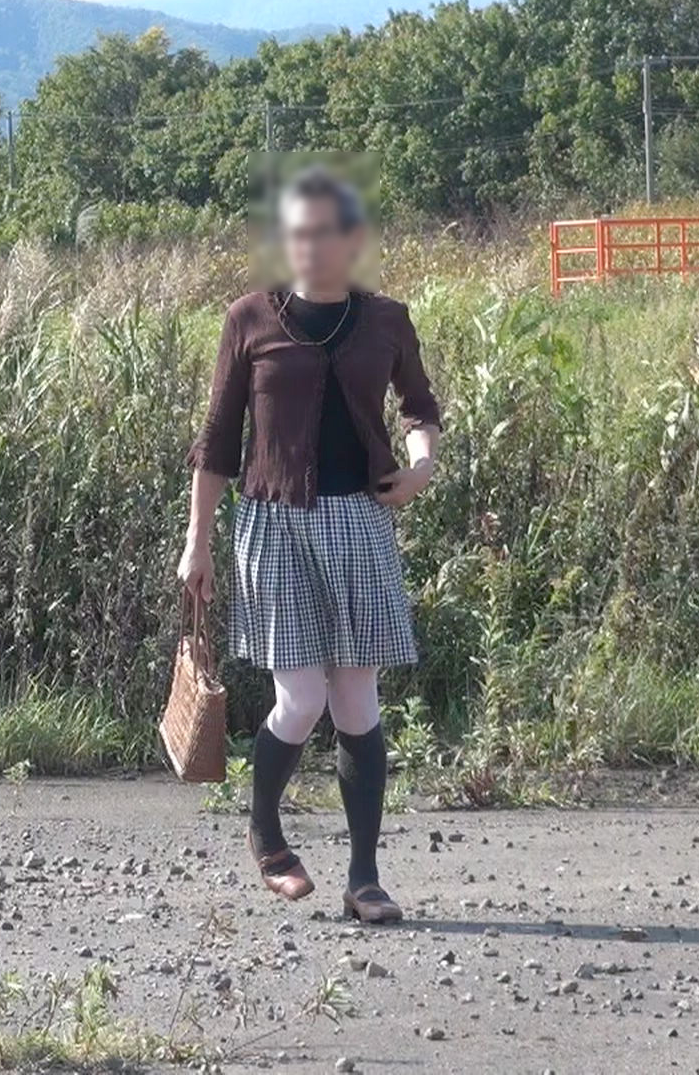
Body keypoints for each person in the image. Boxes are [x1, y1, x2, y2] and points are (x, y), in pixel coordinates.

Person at [175, 167, 442, 925]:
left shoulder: (386, 319)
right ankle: (266, 834)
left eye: (322, 231)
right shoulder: (249, 318)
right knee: (303, 697)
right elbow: (217, 441)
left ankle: (364, 879)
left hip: (359, 519)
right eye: (295, 232)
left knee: (357, 697)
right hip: (273, 521)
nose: (307, 245)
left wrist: (421, 467)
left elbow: (420, 408)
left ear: (351, 238)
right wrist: (198, 542)